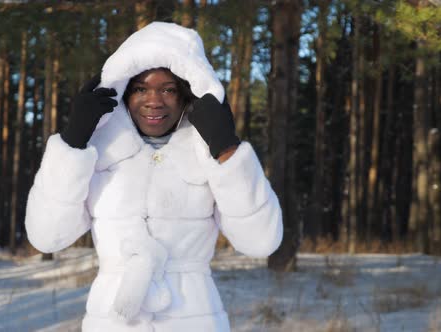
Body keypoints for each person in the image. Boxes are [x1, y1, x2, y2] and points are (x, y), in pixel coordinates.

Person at [25, 22, 283, 332]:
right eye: (141, 88)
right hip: (113, 321)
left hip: (193, 320)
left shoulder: (207, 152)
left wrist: (227, 149)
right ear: (123, 92)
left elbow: (261, 241)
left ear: (187, 92)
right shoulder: (98, 152)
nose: (154, 101)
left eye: (168, 89)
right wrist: (73, 141)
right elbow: (46, 236)